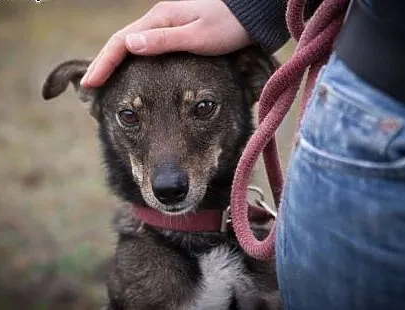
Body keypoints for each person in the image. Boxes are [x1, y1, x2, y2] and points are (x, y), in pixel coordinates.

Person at [81, 0, 405, 309]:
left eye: (203, 108)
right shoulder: (141, 284)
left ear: (255, 80)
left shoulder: (269, 250)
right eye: (130, 117)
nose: (167, 177)